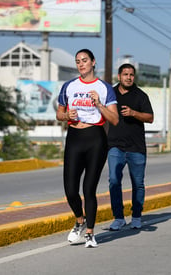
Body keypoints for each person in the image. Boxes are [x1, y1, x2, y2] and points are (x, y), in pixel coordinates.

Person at [56, 49, 119, 248]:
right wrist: (67, 116)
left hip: (95, 138)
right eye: (78, 61)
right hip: (74, 137)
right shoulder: (69, 86)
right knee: (70, 190)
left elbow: (115, 120)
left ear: (93, 62)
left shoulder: (104, 88)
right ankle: (80, 221)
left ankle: (90, 233)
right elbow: (59, 113)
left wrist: (99, 104)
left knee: (88, 188)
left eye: (84, 60)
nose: (81, 64)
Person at [107, 63, 154, 231]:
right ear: (119, 76)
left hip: (136, 147)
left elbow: (150, 118)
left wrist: (134, 113)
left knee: (138, 184)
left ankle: (136, 216)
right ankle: (118, 218)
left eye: (131, 74)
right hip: (115, 146)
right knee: (113, 181)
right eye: (125, 74)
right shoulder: (110, 93)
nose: (128, 77)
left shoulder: (141, 96)